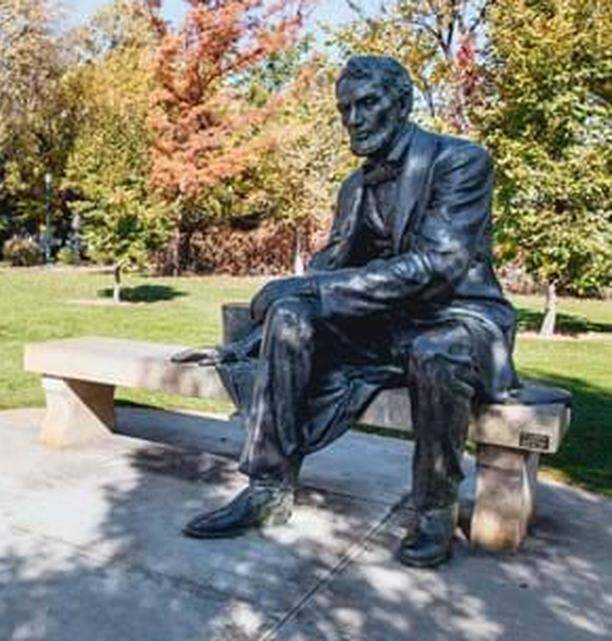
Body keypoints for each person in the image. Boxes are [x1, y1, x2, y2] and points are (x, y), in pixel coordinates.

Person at [177, 56, 518, 568]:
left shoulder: (460, 162)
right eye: (344, 109)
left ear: (402, 104)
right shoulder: (355, 187)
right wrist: (262, 325)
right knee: (291, 317)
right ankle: (268, 487)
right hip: (385, 324)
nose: (353, 119)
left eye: (367, 104)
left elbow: (438, 267)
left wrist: (311, 288)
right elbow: (330, 265)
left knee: (435, 351)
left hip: (459, 318)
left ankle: (435, 510)